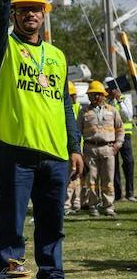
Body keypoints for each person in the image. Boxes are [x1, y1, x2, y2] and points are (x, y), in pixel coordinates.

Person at [0, 0, 83, 279]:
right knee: (11, 224)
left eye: (35, 9)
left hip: (55, 155)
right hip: (16, 152)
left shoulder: (57, 56)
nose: (30, 14)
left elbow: (65, 103)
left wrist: (75, 146)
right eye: (23, 9)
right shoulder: (2, 48)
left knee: (53, 226)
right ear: (14, 13)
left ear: (43, 14)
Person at [79, 81, 124, 217]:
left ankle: (108, 206)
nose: (91, 97)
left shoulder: (112, 110)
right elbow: (77, 131)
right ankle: (93, 206)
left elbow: (120, 129)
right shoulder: (84, 112)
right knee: (91, 180)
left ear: (102, 95)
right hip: (89, 149)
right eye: (90, 95)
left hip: (108, 148)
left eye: (94, 94)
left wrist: (118, 144)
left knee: (108, 179)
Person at [105, 77, 135, 202]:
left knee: (129, 162)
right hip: (111, 136)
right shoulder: (106, 102)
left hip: (125, 135)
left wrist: (119, 100)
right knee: (114, 165)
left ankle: (130, 193)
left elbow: (128, 116)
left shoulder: (125, 98)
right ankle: (118, 194)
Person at [65, 81, 83, 214]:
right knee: (69, 176)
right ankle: (67, 203)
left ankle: (77, 201)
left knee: (77, 176)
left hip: (78, 148)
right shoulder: (63, 108)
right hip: (66, 148)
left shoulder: (78, 108)